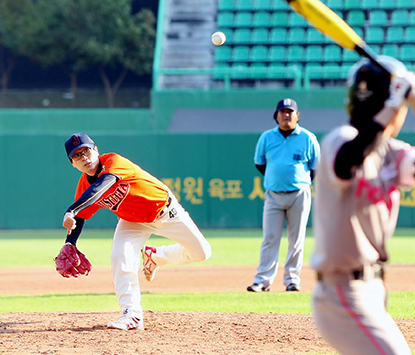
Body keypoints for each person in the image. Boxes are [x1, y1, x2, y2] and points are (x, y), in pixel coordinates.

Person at [310, 56, 415, 355]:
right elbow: (347, 161)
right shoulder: (340, 140)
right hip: (343, 292)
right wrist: (394, 105)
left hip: (373, 287)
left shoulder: (391, 152)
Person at [61, 133, 212, 330]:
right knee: (120, 255)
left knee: (202, 253)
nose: (85, 158)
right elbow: (81, 216)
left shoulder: (114, 161)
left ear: (96, 150)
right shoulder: (84, 185)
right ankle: (131, 314)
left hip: (164, 211)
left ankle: (156, 256)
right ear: (72, 163)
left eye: (86, 151)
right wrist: (70, 242)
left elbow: (102, 185)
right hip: (132, 220)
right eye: (77, 156)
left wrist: (72, 209)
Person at [247, 98, 320, 293]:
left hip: (299, 194)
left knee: (296, 239)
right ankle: (262, 281)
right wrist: (277, 179)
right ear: (276, 116)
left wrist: (297, 180)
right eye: (283, 112)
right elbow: (260, 163)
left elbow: (315, 167)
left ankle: (292, 280)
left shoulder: (308, 138)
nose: (286, 115)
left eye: (290, 112)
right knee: (270, 238)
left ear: (297, 116)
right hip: (273, 195)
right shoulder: (266, 138)